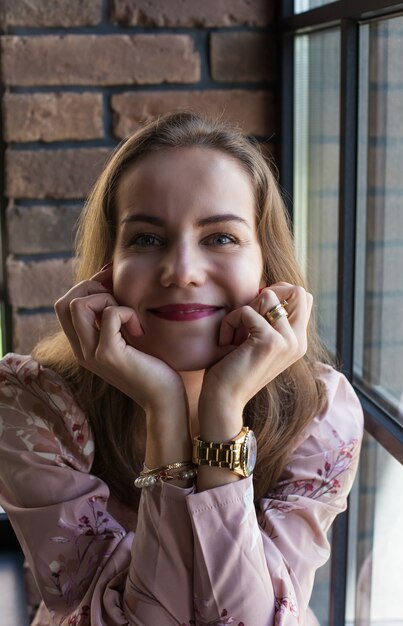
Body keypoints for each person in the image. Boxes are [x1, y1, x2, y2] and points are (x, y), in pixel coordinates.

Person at [0, 112, 363, 626]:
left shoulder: (322, 414)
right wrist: (164, 409)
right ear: (108, 268)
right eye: (146, 239)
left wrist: (222, 410)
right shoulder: (34, 408)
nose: (182, 272)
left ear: (266, 265)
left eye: (220, 238)